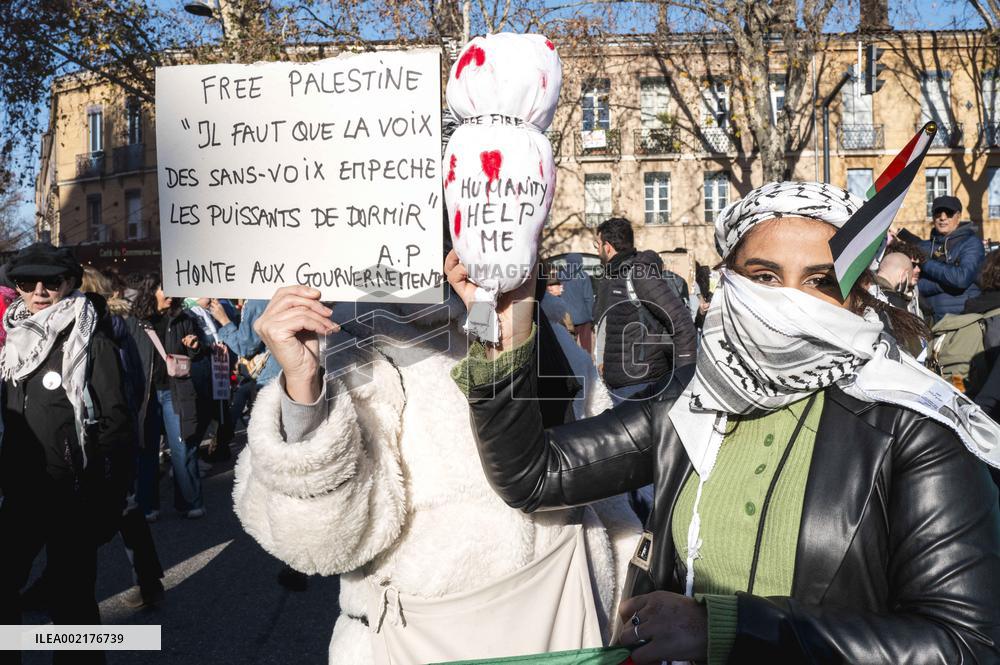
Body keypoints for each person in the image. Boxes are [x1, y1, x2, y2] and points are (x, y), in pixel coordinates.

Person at [446, 181, 1000, 664]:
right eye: (764, 275)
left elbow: (965, 645)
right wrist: (507, 331)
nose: (789, 304)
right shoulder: (694, 403)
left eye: (819, 283)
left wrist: (728, 629)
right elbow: (535, 476)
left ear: (855, 298)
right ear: (730, 281)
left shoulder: (913, 429)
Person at [233, 284, 642, 664]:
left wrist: (629, 613)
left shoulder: (549, 331)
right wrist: (304, 388)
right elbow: (316, 542)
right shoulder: (365, 332)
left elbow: (607, 507)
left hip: (572, 634)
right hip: (423, 645)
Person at [0, 244, 132, 664]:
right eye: (26, 283)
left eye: (50, 282)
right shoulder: (14, 342)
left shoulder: (93, 341)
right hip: (20, 491)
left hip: (73, 494)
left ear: (70, 283)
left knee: (72, 606)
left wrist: (109, 499)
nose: (38, 292)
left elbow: (116, 423)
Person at [80, 266, 165, 608]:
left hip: (108, 427)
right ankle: (149, 582)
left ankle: (66, 589)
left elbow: (130, 378)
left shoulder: (103, 329)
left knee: (107, 511)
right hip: (122, 423)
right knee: (125, 509)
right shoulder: (120, 324)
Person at [126, 274, 205, 521]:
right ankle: (148, 505)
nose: (171, 298)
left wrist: (194, 346)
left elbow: (199, 352)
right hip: (144, 395)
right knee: (146, 450)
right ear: (152, 291)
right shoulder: (134, 322)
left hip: (176, 391)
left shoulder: (184, 318)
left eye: (174, 293)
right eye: (165, 292)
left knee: (183, 447)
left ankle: (190, 502)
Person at [592, 217, 697, 400]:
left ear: (607, 246)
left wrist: (684, 381)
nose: (597, 250)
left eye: (597, 244)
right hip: (623, 385)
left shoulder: (639, 274)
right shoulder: (615, 276)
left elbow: (681, 322)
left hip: (642, 386)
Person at [915, 195, 985, 321]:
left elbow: (961, 279)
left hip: (963, 320)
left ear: (958, 216)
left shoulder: (971, 243)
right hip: (931, 320)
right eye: (938, 213)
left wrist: (925, 262)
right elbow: (915, 284)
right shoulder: (926, 246)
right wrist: (944, 284)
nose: (942, 217)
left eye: (948, 213)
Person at [558, 253, 595, 352]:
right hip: (583, 318)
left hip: (566, 318)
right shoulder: (584, 276)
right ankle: (585, 366)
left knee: (568, 350)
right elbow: (588, 298)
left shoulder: (560, 276)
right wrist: (591, 317)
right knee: (586, 349)